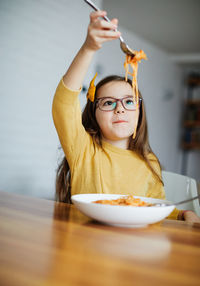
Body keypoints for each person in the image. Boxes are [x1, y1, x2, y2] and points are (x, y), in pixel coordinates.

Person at [52, 10, 200, 223]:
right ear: (94, 113)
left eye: (129, 101)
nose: (119, 109)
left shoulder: (149, 162)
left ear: (140, 112)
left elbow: (155, 208)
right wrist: (89, 48)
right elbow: (63, 103)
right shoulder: (83, 149)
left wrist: (185, 214)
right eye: (108, 102)